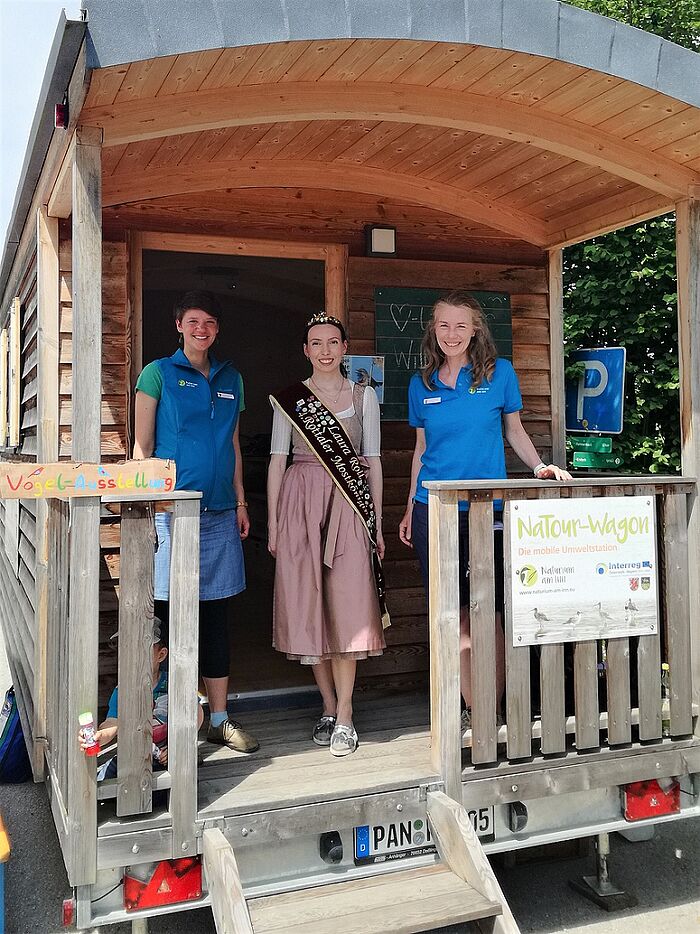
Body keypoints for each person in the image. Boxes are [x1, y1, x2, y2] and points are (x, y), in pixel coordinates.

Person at [398, 291, 571, 729]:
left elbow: (514, 430)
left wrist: (539, 466)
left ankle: (487, 711)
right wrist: (406, 509)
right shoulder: (422, 383)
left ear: (475, 329)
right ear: (432, 331)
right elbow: (421, 451)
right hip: (432, 512)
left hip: (486, 512)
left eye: (460, 325)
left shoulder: (500, 373)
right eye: (443, 325)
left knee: (489, 611)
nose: (451, 334)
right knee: (451, 613)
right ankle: (466, 704)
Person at [133, 290, 258, 753]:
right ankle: (166, 718)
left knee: (216, 616)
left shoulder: (232, 379)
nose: (200, 328)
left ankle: (220, 719)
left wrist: (242, 501)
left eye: (208, 321)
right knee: (167, 618)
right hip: (171, 515)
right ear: (178, 326)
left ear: (217, 329)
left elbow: (232, 445)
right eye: (192, 321)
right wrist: (148, 506)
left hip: (221, 513)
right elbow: (141, 447)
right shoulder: (157, 374)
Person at [267, 313, 387, 757]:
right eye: (316, 343)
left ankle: (347, 714)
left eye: (333, 342)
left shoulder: (364, 398)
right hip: (300, 503)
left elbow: (371, 461)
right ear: (305, 350)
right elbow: (277, 461)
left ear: (344, 347)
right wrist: (275, 523)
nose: (325, 350)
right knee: (308, 605)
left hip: (348, 507)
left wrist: (373, 519)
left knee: (347, 605)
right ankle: (328, 705)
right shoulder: (289, 401)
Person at [78, 617, 204, 779]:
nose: (133, 656)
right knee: (109, 778)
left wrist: (180, 744)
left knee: (183, 777)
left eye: (141, 649)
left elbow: (196, 712)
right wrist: (101, 736)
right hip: (133, 756)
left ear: (161, 655)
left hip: (168, 754)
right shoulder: (123, 689)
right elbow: (113, 721)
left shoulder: (173, 684)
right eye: (127, 649)